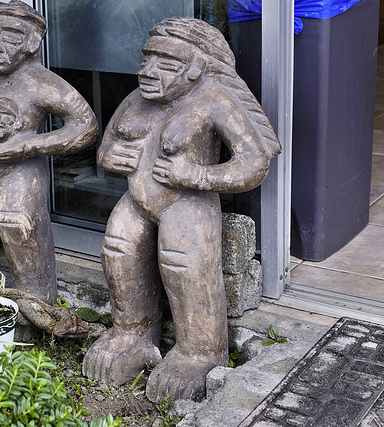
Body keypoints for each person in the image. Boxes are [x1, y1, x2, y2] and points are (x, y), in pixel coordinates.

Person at [82, 17, 281, 402]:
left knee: (184, 265)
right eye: (146, 59)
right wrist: (112, 155)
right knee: (118, 252)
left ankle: (199, 352)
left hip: (187, 204)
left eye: (166, 63)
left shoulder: (213, 100)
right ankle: (132, 331)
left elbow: (255, 162)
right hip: (137, 200)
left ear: (195, 69)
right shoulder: (135, 99)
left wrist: (197, 175)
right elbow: (105, 146)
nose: (148, 71)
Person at [0, 0, 98, 305]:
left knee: (16, 220)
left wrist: (27, 146)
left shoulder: (41, 82)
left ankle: (33, 295)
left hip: (18, 170)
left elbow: (86, 127)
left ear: (31, 44)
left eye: (9, 35)